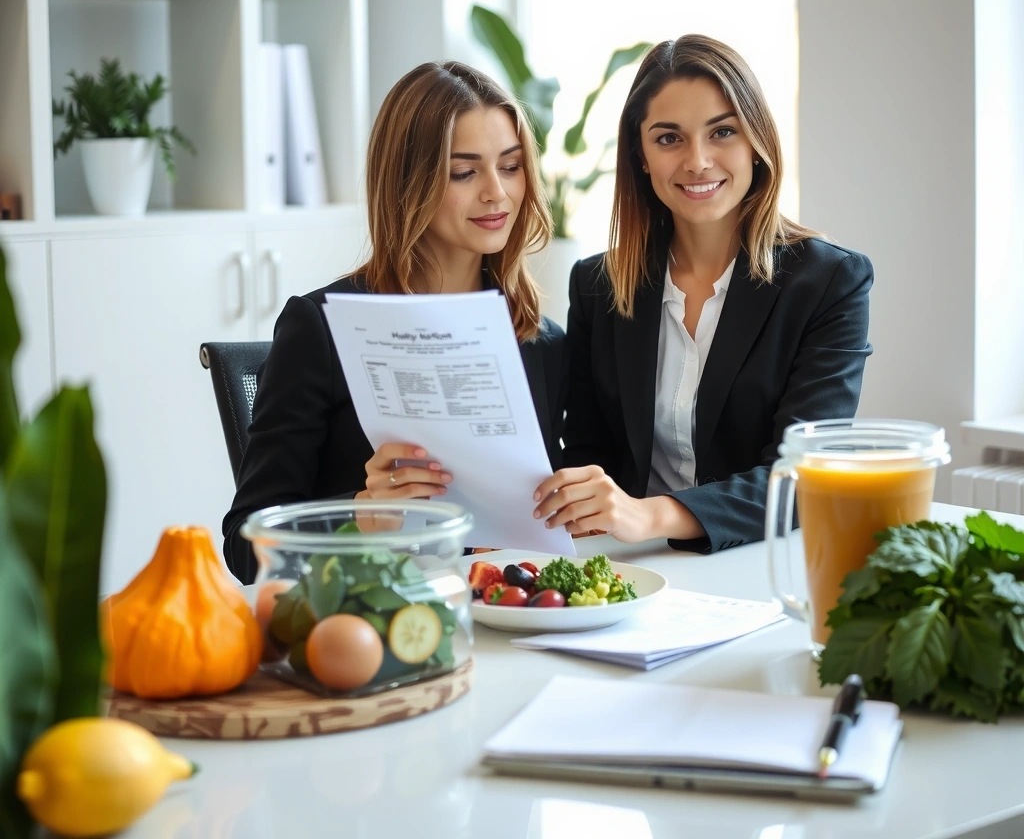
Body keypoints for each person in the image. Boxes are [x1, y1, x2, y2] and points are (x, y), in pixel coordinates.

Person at [223, 61, 564, 583]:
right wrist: (360, 518)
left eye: (511, 166)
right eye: (463, 172)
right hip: (368, 623)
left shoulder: (541, 340)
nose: (497, 192)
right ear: (410, 182)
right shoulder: (321, 327)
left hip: (506, 619)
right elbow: (246, 548)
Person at [532, 34, 873, 552]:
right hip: (627, 567)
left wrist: (651, 516)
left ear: (756, 141)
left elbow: (805, 476)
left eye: (722, 132)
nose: (697, 161)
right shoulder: (599, 286)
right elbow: (586, 454)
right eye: (668, 138)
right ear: (641, 156)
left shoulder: (829, 283)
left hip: (760, 559)